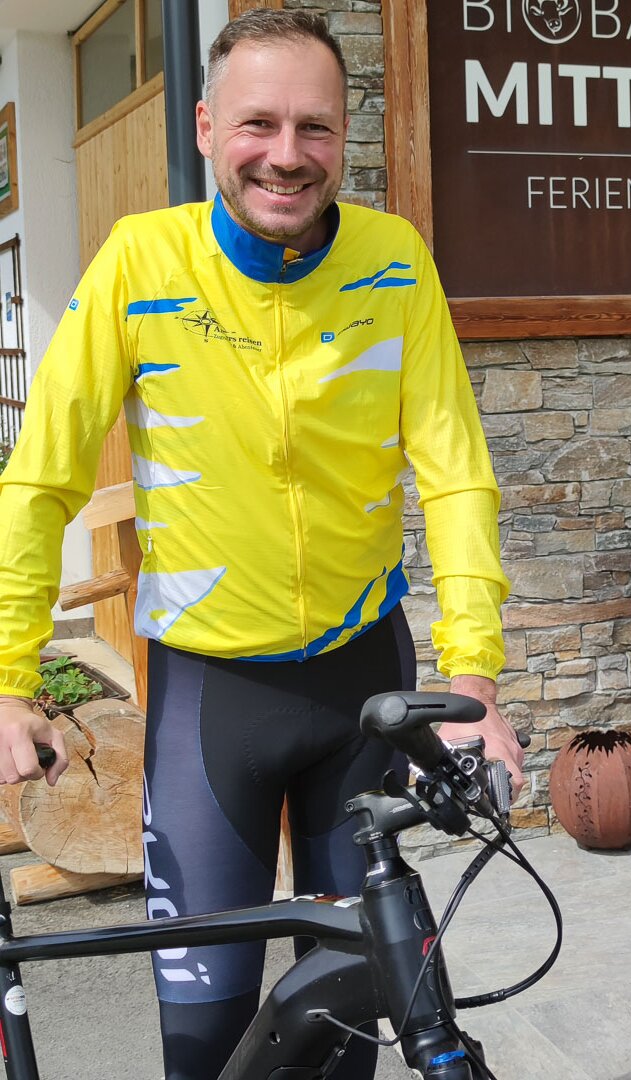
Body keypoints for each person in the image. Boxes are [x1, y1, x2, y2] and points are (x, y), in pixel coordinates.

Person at [0, 9, 523, 1080]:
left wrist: (475, 676)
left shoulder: (393, 262)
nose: (286, 154)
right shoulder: (142, 264)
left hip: (361, 690)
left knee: (346, 1035)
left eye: (314, 127)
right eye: (258, 123)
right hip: (210, 705)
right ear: (203, 127)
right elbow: (43, 476)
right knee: (206, 1044)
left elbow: (455, 471)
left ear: (344, 136)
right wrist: (8, 676)